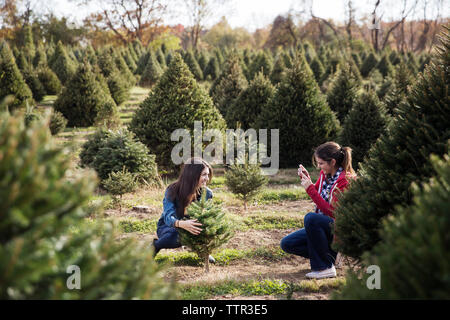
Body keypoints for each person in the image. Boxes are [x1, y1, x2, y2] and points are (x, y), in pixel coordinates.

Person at [280, 141, 356, 279]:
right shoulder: (324, 174)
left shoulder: (345, 181)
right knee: (287, 244)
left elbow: (333, 212)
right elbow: (320, 195)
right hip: (324, 226)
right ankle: (330, 257)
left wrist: (310, 189)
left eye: (321, 163)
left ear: (332, 162)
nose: (318, 166)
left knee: (311, 219)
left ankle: (324, 267)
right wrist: (308, 180)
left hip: (337, 229)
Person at [152, 157, 215, 263]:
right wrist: (182, 224)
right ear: (192, 175)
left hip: (193, 225)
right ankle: (155, 246)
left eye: (208, 175)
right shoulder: (172, 190)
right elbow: (168, 217)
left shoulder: (207, 193)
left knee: (205, 228)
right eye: (204, 175)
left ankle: (201, 251)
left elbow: (208, 216)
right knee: (175, 237)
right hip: (169, 227)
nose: (207, 178)